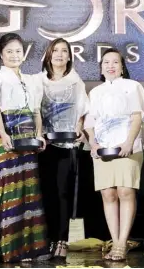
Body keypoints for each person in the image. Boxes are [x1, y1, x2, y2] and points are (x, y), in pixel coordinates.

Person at [0, 33, 50, 262]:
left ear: (24, 54)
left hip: (29, 137)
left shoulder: (33, 80)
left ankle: (31, 248)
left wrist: (39, 136)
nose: (14, 55)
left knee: (29, 190)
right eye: (9, 51)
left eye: (18, 51)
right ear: (1, 54)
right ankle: (9, 248)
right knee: (10, 187)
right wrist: (2, 135)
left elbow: (36, 111)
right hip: (7, 136)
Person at [84, 48, 144, 261]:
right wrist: (93, 144)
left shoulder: (132, 87)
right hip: (103, 150)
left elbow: (137, 117)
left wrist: (129, 142)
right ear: (101, 68)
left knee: (125, 191)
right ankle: (114, 240)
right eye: (106, 62)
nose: (110, 66)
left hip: (128, 148)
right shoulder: (95, 92)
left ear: (122, 67)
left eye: (115, 62)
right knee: (108, 194)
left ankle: (122, 243)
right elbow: (90, 122)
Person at [37, 38, 89, 259]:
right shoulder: (39, 81)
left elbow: (83, 110)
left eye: (64, 51)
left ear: (69, 56)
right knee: (47, 193)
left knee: (63, 192)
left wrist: (78, 128)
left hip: (68, 144)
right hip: (45, 145)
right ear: (48, 55)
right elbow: (35, 110)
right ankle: (49, 240)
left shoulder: (76, 81)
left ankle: (62, 239)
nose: (59, 54)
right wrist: (39, 134)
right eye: (55, 50)